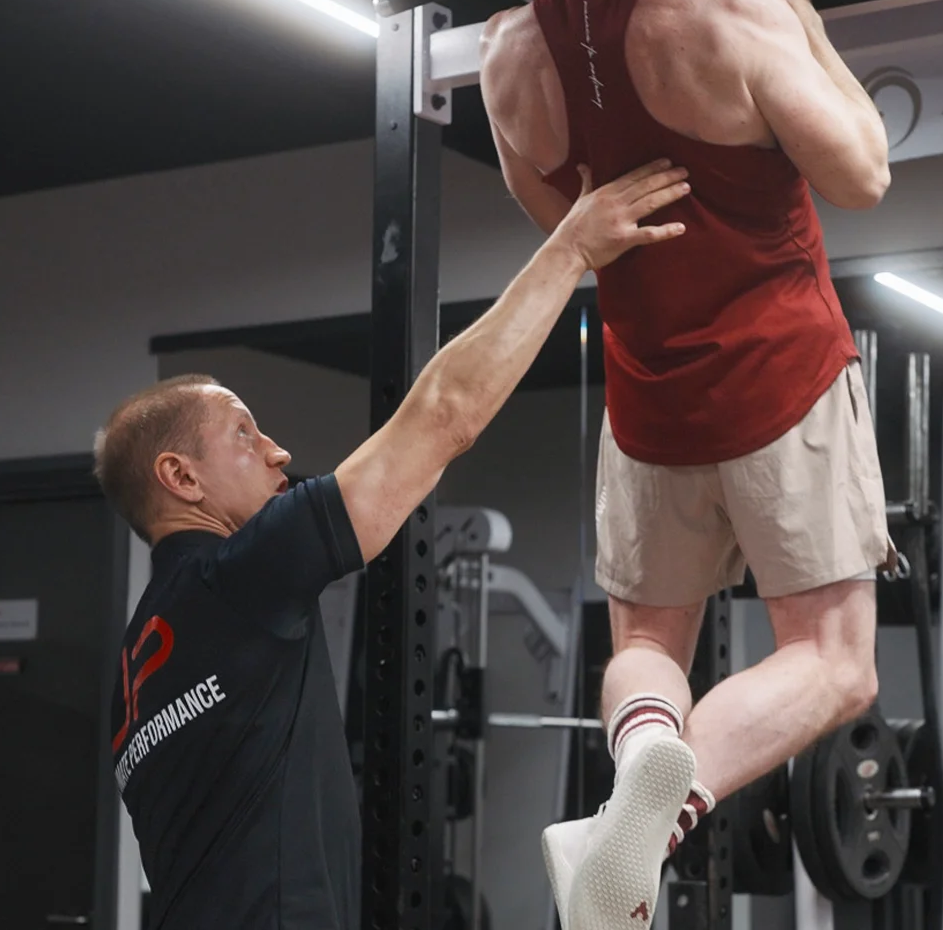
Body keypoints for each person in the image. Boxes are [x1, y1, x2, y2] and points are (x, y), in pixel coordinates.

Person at [94, 157, 689, 930]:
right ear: (181, 477)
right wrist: (570, 248)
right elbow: (444, 416)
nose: (277, 451)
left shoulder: (138, 665)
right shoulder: (237, 579)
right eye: (245, 434)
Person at [477, 0, 894, 927]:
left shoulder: (504, 59)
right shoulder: (730, 8)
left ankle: (642, 780)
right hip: (786, 385)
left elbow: (571, 237)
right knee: (834, 662)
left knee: (649, 650)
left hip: (648, 405)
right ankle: (640, 822)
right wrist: (803, 15)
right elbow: (864, 172)